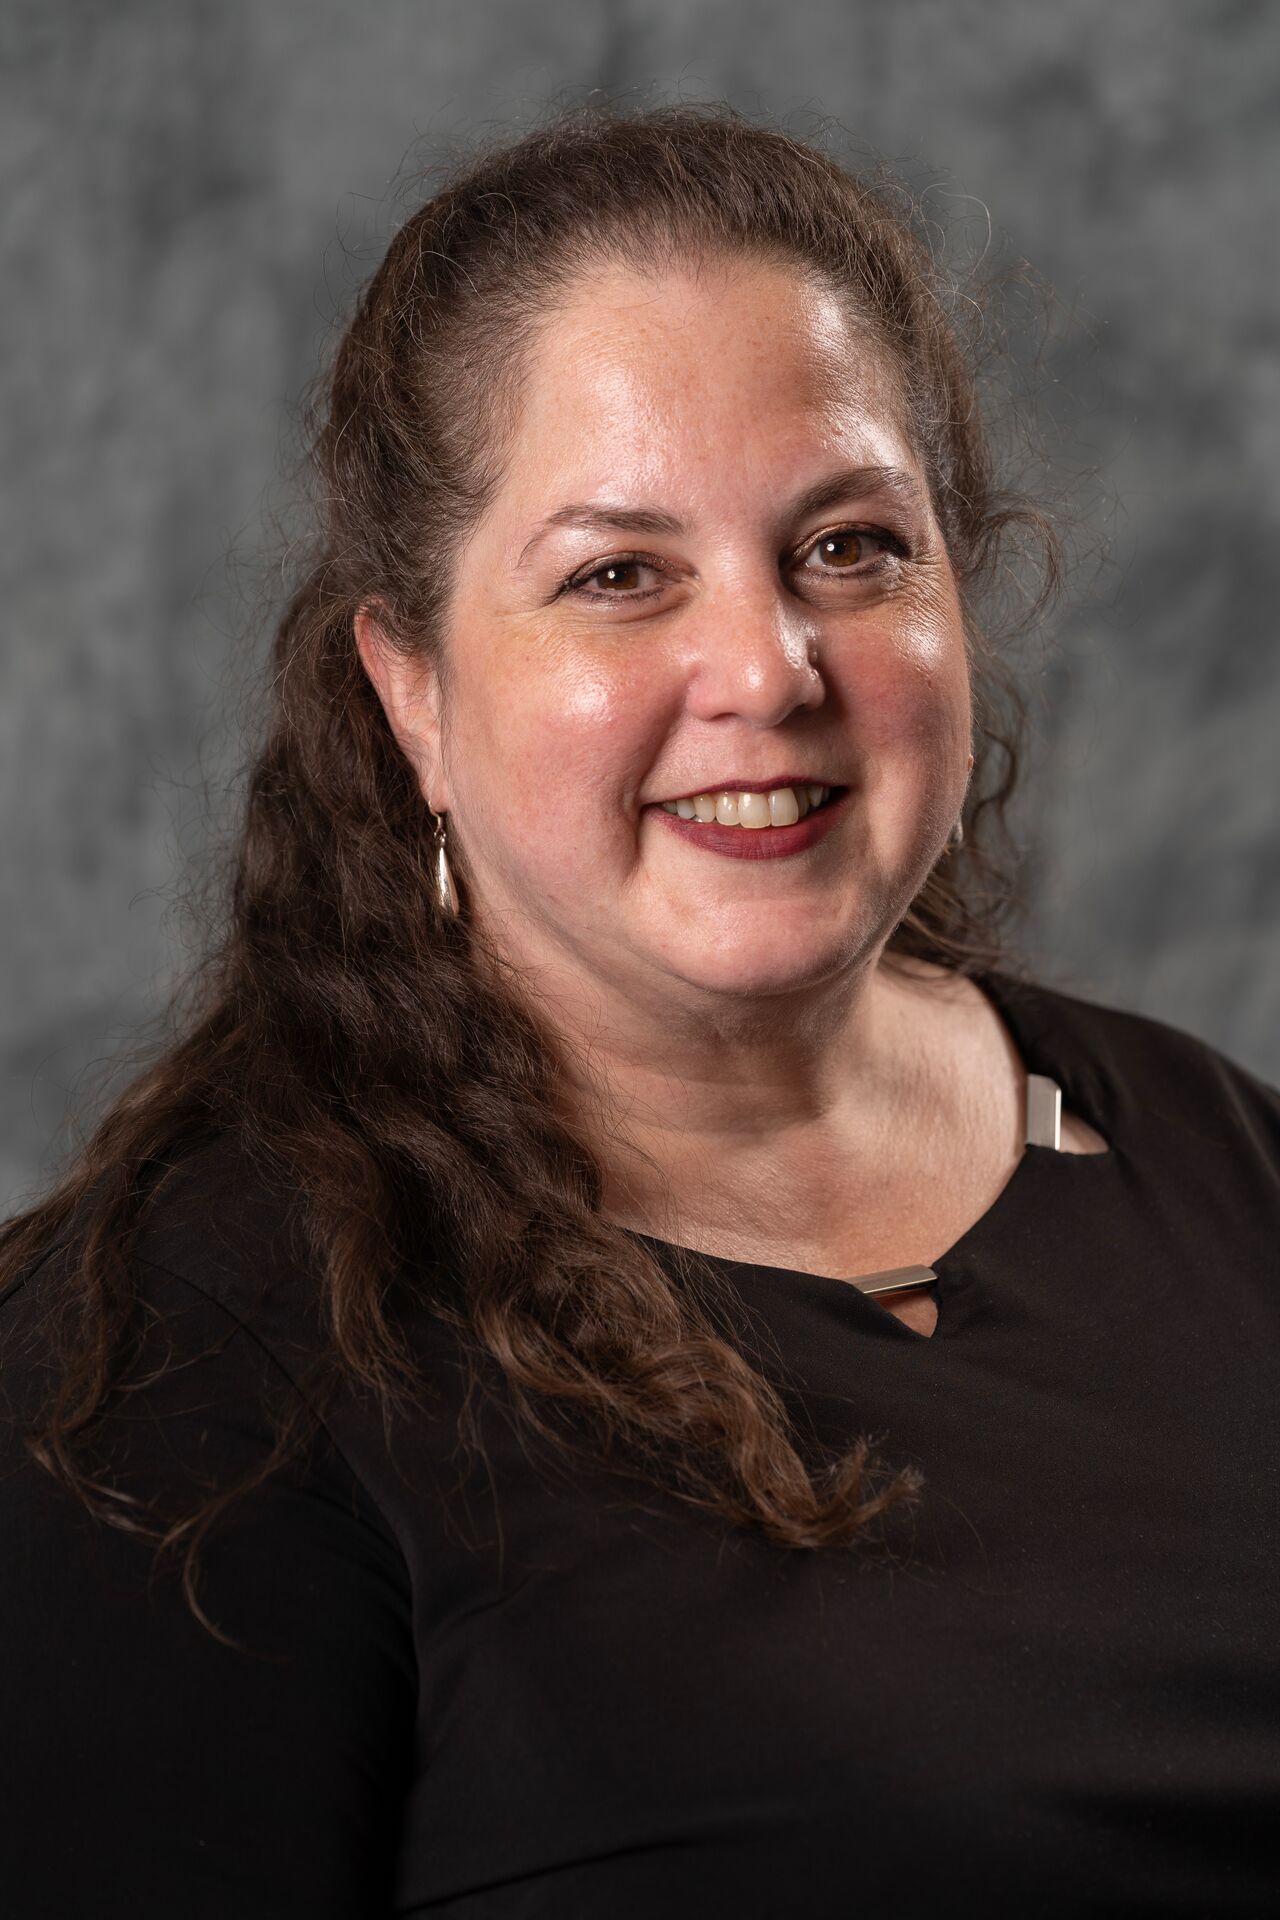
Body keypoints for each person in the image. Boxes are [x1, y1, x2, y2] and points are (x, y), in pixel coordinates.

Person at [2, 100, 1277, 1919]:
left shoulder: (1220, 1164)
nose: (766, 667)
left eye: (851, 546)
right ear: (413, 689)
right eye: (619, 575)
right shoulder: (179, 1379)